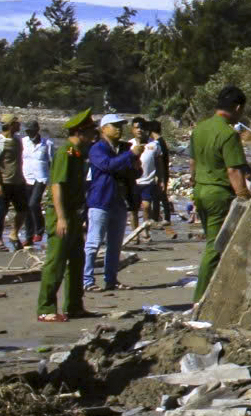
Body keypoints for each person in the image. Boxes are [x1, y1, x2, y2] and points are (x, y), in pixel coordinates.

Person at [191, 86, 251, 302]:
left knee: (212, 240)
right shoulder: (228, 133)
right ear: (237, 107)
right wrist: (244, 196)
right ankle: (200, 298)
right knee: (215, 247)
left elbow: (193, 162)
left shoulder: (200, 129)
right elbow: (234, 170)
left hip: (201, 189)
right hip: (218, 193)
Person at [34, 110, 95, 322]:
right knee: (56, 261)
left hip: (75, 213)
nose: (93, 134)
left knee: (77, 260)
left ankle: (75, 305)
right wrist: (61, 217)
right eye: (90, 131)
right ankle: (46, 308)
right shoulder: (64, 153)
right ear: (80, 132)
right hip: (62, 213)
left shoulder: (78, 153)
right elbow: (56, 186)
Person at [82, 114, 138, 293]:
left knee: (115, 244)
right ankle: (87, 279)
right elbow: (107, 165)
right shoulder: (97, 148)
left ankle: (111, 279)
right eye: (115, 126)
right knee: (94, 242)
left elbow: (131, 173)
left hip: (119, 201)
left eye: (120, 126)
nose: (119, 129)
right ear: (104, 128)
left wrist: (135, 164)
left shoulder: (122, 149)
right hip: (100, 199)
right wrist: (130, 155)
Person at [135, 120, 175, 237]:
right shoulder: (160, 141)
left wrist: (160, 176)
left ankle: (160, 218)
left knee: (159, 196)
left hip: (159, 174)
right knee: (160, 197)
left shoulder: (157, 143)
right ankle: (159, 218)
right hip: (161, 173)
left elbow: (160, 160)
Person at [21, 119, 54, 249]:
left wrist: (52, 181)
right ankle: (28, 237)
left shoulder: (47, 143)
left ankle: (39, 229)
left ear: (37, 130)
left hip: (41, 178)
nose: (29, 133)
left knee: (33, 203)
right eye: (27, 131)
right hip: (26, 177)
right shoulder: (23, 142)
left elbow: (52, 161)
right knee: (26, 207)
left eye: (31, 130)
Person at [0, 113, 26, 251]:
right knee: (1, 213)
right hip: (5, 182)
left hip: (18, 181)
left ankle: (14, 234)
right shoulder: (1, 141)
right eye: (17, 123)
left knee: (23, 210)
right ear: (11, 125)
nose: (19, 125)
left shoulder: (17, 140)